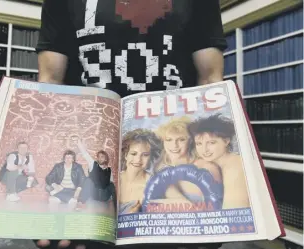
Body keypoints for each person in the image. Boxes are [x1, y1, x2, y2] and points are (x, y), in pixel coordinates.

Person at [35, 0, 227, 247]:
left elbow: (210, 81)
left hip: (167, 153)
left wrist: (215, 200)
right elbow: (50, 83)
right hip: (93, 151)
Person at [151, 117, 223, 207]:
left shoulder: (206, 168)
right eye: (169, 140)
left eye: (181, 139)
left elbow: (217, 205)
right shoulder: (160, 166)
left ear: (190, 141)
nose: (174, 145)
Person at [188, 113, 250, 209]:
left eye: (211, 143)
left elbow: (234, 213)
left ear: (226, 141)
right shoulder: (213, 163)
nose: (204, 149)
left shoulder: (234, 167)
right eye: (199, 144)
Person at [119, 128, 162, 214]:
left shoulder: (154, 185)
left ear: (151, 158)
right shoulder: (115, 178)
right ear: (125, 155)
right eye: (133, 154)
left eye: (145, 155)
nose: (138, 159)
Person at [76, 140, 116, 211]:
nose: (100, 158)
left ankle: (116, 207)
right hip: (94, 193)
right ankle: (81, 203)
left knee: (112, 184)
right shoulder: (93, 164)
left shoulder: (109, 170)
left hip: (104, 196)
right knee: (88, 180)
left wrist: (112, 199)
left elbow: (111, 187)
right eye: (99, 157)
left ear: (106, 159)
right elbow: (85, 154)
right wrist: (79, 143)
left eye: (102, 157)